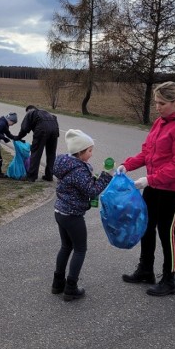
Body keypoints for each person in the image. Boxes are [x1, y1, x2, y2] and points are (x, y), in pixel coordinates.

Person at [117, 81, 175, 296]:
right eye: (156, 103)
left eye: (162, 103)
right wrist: (127, 165)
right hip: (155, 182)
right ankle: (145, 270)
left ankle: (170, 280)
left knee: (166, 230)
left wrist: (149, 180)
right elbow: (147, 153)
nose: (157, 107)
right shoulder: (160, 123)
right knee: (146, 225)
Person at [52, 129, 113, 301]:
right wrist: (106, 176)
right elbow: (92, 190)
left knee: (66, 247)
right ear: (79, 152)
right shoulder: (78, 170)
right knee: (80, 249)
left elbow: (81, 186)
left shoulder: (67, 165)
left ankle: (58, 283)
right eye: (89, 151)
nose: (91, 154)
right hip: (72, 216)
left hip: (60, 212)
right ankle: (71, 288)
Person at [15, 105, 59, 182]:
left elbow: (24, 128)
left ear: (28, 110)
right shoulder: (47, 113)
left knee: (36, 153)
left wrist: (18, 137)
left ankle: (31, 176)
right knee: (51, 154)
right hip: (54, 130)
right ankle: (49, 176)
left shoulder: (30, 113)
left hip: (42, 130)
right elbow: (55, 119)